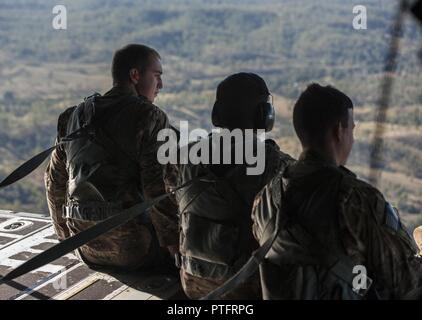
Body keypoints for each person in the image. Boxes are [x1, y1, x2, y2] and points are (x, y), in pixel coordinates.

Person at [251, 83, 422, 299]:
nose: (353, 138)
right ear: (339, 131)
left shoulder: (266, 197)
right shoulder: (357, 198)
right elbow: (405, 278)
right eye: (351, 129)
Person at [44, 44, 179, 271]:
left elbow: (54, 181)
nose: (161, 85)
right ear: (135, 76)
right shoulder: (149, 116)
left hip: (84, 248)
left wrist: (64, 236)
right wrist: (174, 244)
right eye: (156, 76)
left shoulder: (73, 116)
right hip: (137, 250)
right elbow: (157, 188)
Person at [165, 73, 294, 299]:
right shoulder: (278, 166)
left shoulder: (184, 154)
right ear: (264, 116)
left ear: (217, 113)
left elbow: (167, 203)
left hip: (192, 281)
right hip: (245, 287)